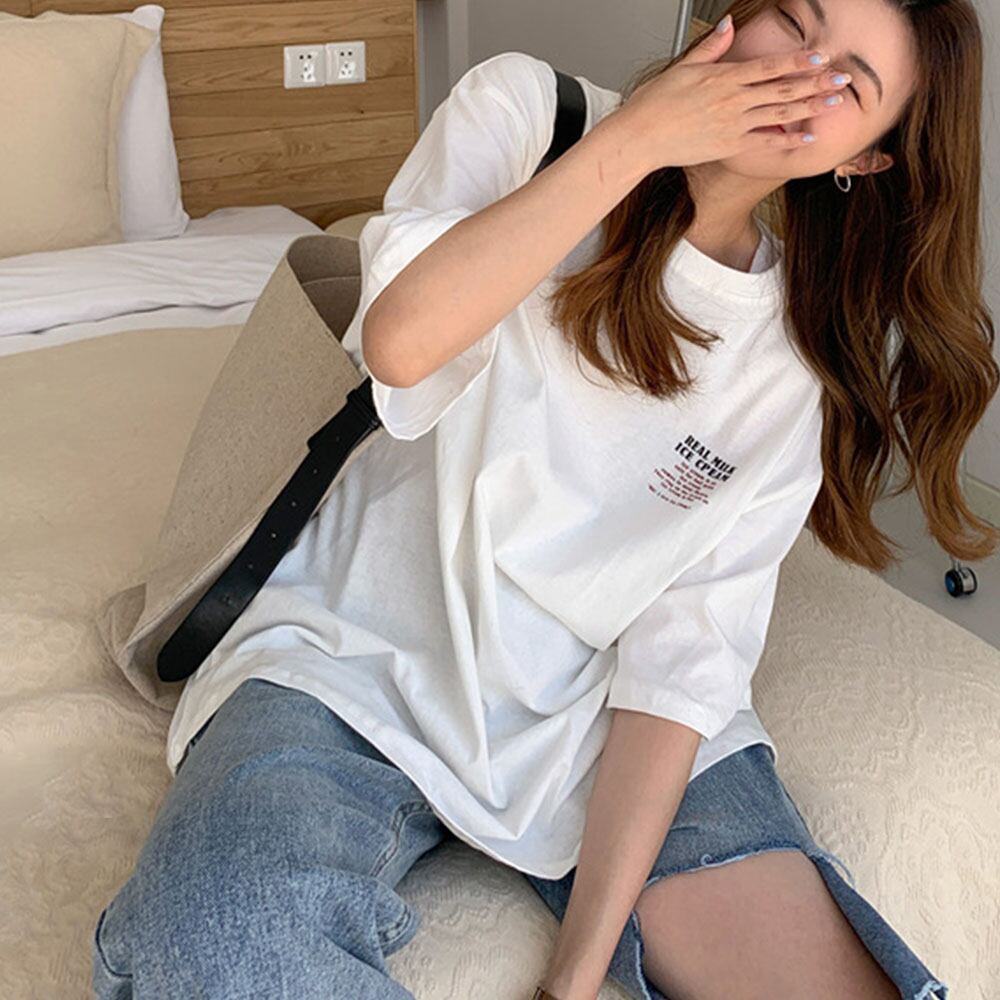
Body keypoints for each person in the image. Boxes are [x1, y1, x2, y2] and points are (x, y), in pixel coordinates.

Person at [92, 0, 997, 997]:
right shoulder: (528, 114)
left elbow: (679, 664)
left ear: (862, 158)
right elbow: (401, 342)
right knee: (217, 935)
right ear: (735, 18)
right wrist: (640, 140)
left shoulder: (789, 366)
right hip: (348, 664)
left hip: (591, 721)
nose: (792, 73)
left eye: (845, 83)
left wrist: (574, 976)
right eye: (792, 18)